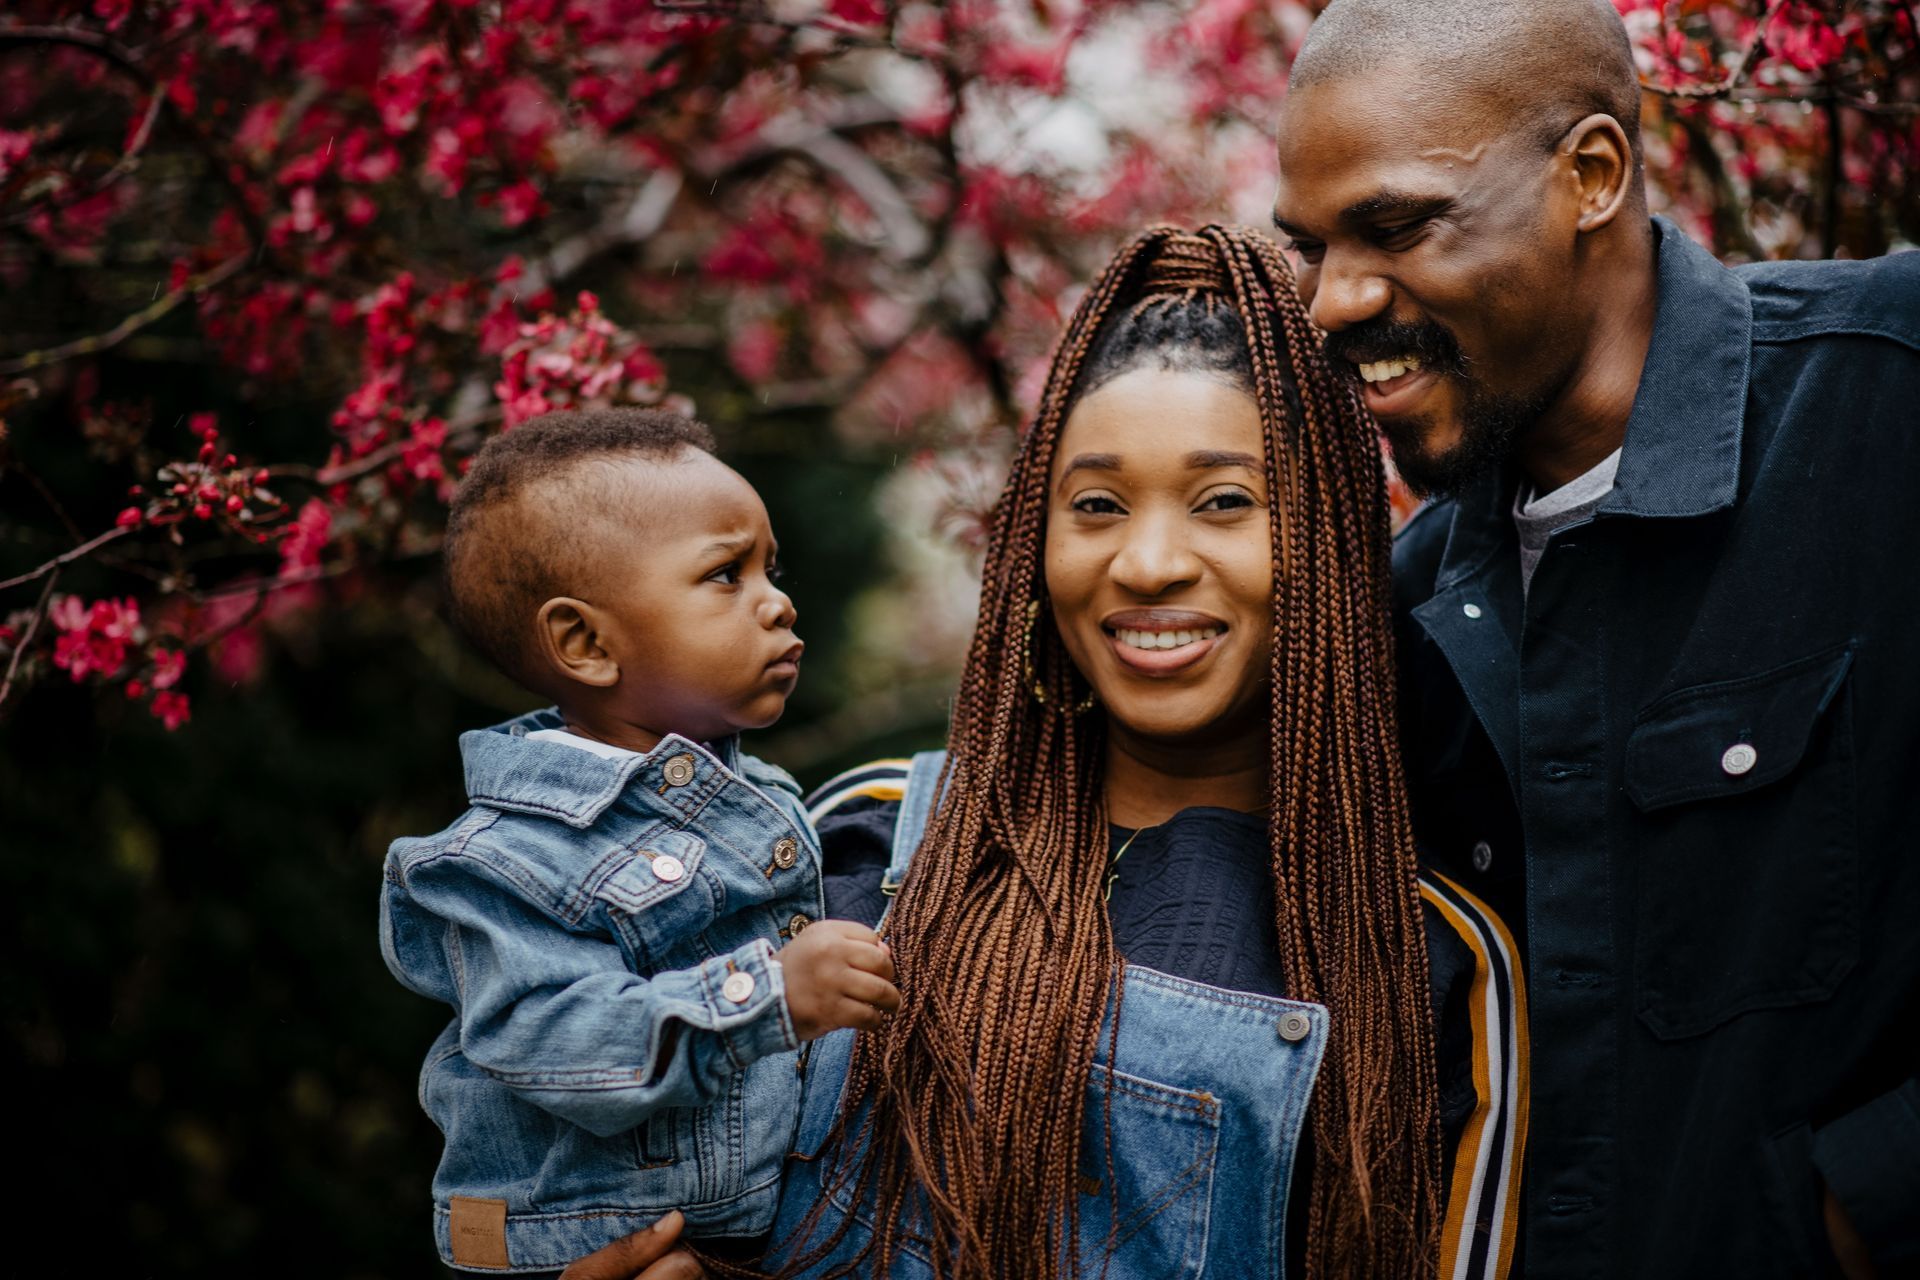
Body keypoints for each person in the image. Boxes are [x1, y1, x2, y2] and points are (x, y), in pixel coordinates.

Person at [570, 225, 1527, 1279]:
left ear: (1328, 540)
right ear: (1038, 539)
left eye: (1224, 502)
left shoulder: (1423, 962)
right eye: (1097, 506)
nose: (1148, 563)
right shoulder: (852, 843)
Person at [1271, 0, 1920, 1275]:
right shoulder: (1399, 614)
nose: (1333, 300)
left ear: (1592, 175)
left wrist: (1865, 1204)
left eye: (1396, 228)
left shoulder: (1888, 393)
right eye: (1310, 246)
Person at [380, 409, 901, 1273]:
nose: (778, 601)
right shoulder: (503, 860)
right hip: (585, 1243)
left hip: (748, 1230)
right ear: (585, 642)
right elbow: (555, 1039)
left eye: (770, 568)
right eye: (726, 574)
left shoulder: (759, 795)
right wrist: (766, 995)